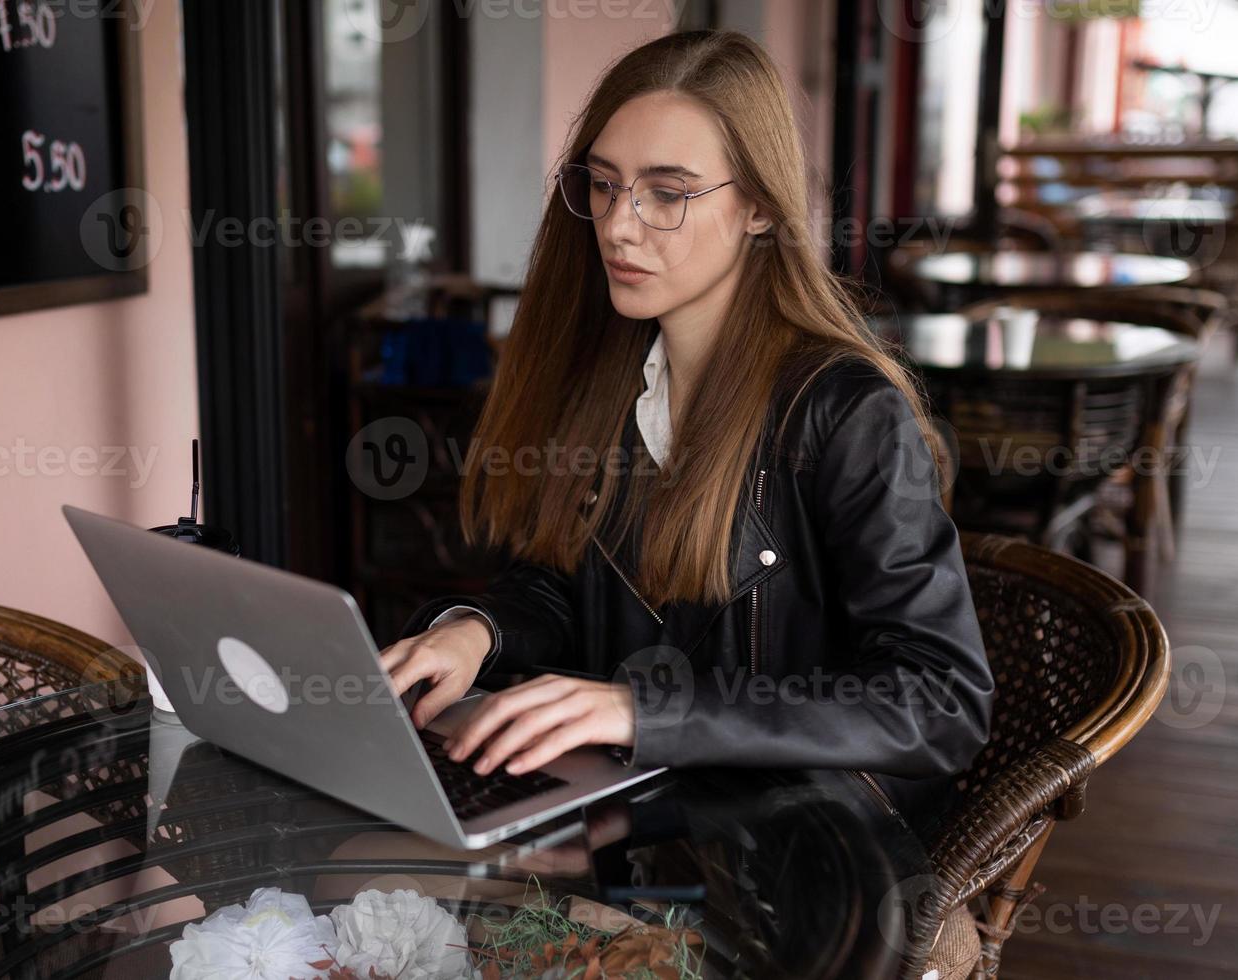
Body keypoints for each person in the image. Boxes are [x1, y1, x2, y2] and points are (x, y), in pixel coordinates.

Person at [378, 28, 993, 842]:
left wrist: (644, 712)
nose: (618, 227)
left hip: (793, 849)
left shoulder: (843, 411)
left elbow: (940, 700)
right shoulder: (609, 374)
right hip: (634, 815)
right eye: (603, 184)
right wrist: (477, 631)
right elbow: (562, 583)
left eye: (667, 193)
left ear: (762, 208)